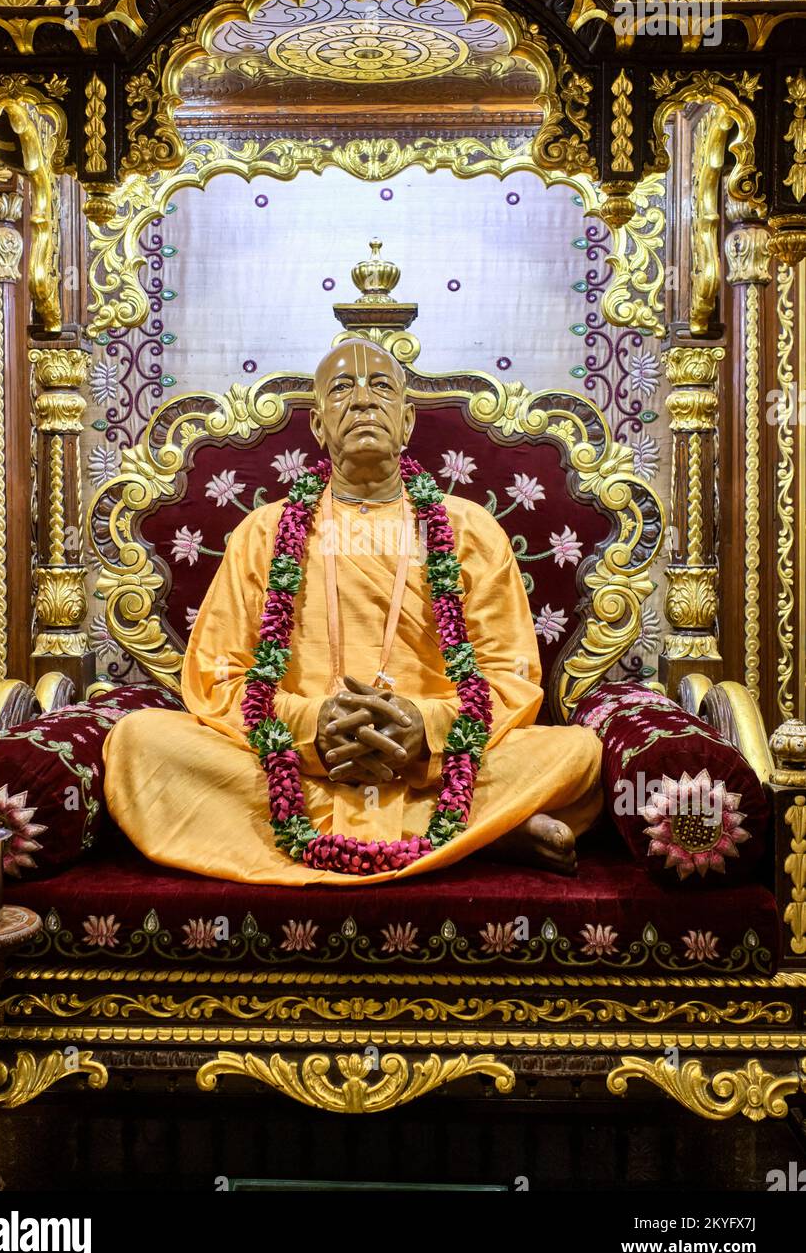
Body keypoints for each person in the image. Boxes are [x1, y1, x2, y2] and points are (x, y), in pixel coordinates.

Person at [103, 339, 602, 884]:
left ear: (407, 420)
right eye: (343, 388)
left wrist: (425, 731)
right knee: (139, 743)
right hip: (291, 768)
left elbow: (511, 678)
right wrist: (312, 727)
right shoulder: (263, 532)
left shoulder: (470, 528)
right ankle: (484, 833)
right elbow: (215, 677)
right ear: (318, 426)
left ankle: (448, 822)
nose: (363, 401)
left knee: (577, 754)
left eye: (381, 387)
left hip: (433, 769)